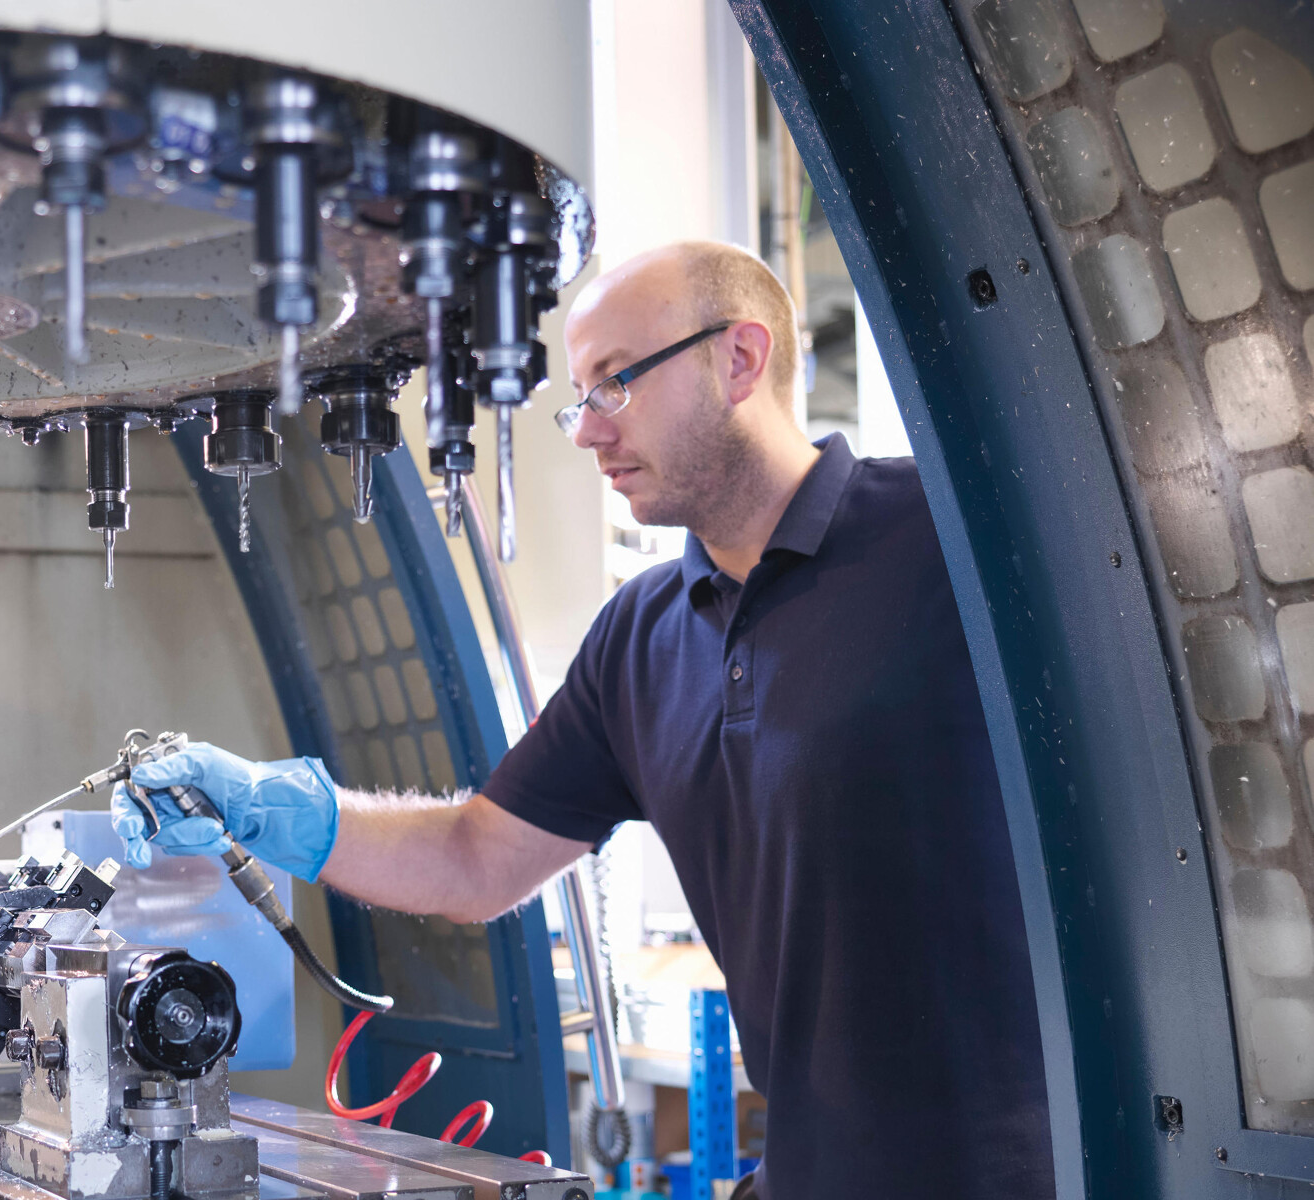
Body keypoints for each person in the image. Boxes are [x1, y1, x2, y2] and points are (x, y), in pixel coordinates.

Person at [113, 241, 1055, 1200]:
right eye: (578, 396)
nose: (584, 430)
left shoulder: (951, 540)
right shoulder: (640, 638)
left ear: (739, 359)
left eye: (615, 383)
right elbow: (477, 860)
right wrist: (276, 810)